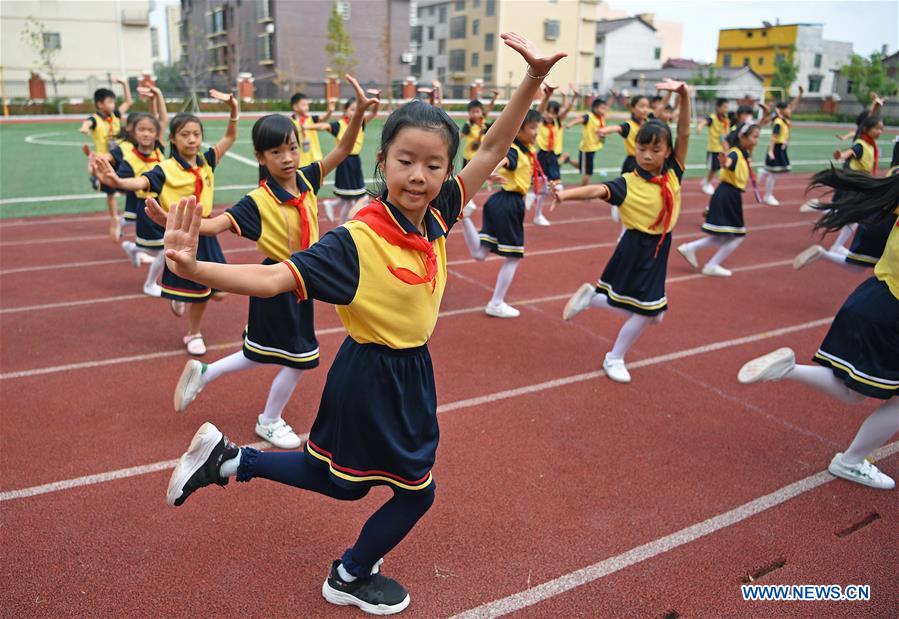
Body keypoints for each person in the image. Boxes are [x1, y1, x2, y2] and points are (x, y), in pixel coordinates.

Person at [163, 33, 566, 615]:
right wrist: (194, 267)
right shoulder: (358, 239)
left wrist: (532, 78)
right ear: (382, 163)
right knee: (416, 493)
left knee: (339, 479)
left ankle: (229, 459)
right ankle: (349, 574)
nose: (419, 175)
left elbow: (495, 146)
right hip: (373, 373)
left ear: (446, 172)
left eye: (434, 165)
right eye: (406, 161)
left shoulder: (438, 212)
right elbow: (275, 279)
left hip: (407, 370)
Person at [149, 76, 375, 449]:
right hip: (276, 279)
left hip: (302, 276)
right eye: (276, 152)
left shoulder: (306, 179)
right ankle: (268, 420)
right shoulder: (258, 201)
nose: (287, 158)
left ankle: (205, 373)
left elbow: (343, 149)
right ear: (260, 157)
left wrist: (358, 116)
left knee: (263, 350)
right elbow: (215, 225)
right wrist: (172, 222)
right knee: (300, 358)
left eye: (292, 148)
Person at [738, 167, 899, 491]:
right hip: (891, 313)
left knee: (853, 391)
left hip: (871, 298)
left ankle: (789, 369)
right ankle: (850, 461)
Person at [552, 79, 691, 383]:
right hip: (637, 247)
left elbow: (683, 132)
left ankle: (592, 299)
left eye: (655, 149)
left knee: (656, 314)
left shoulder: (673, 173)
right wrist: (565, 195)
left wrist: (684, 95)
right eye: (642, 148)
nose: (647, 155)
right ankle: (614, 357)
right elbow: (597, 190)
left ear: (667, 151)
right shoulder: (628, 182)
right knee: (646, 312)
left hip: (660, 246)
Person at [94, 90, 239, 355]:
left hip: (207, 232)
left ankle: (178, 295)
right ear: (172, 138)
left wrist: (233, 110)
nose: (192, 139)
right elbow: (141, 182)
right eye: (185, 134)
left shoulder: (206, 161)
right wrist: (117, 181)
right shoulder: (165, 169)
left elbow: (229, 137)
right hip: (183, 235)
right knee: (202, 292)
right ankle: (194, 333)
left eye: (196, 134)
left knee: (220, 292)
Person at [460, 108, 544, 318]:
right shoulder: (514, 151)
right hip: (509, 204)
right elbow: (504, 160)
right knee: (514, 257)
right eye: (532, 128)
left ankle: (464, 216)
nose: (536, 132)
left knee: (480, 254)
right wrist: (492, 171)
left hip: (499, 202)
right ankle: (496, 303)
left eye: (537, 127)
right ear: (518, 131)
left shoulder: (526, 150)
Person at [795, 117, 889, 270]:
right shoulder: (861, 144)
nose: (880, 131)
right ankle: (818, 207)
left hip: (861, 185)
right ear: (867, 129)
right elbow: (851, 152)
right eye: (877, 128)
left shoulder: (871, 145)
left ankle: (837, 244)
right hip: (854, 185)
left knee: (852, 216)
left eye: (881, 129)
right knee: (849, 213)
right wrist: (841, 156)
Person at [676, 122, 761, 277]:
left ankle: (691, 248)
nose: (757, 140)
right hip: (728, 195)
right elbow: (729, 162)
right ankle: (710, 264)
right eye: (754, 137)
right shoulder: (735, 153)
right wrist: (725, 162)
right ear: (742, 137)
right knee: (738, 236)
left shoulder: (743, 154)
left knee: (724, 236)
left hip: (727, 195)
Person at [79, 77, 133, 242]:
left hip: (120, 158)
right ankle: (115, 218)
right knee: (110, 192)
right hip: (104, 161)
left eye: (113, 102)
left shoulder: (115, 116)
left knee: (127, 187)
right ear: (100, 104)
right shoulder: (95, 119)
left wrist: (124, 84)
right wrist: (85, 128)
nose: (113, 105)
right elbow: (87, 122)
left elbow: (128, 102)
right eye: (109, 102)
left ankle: (126, 216)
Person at [327, 95, 381, 223]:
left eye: (357, 109)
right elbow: (324, 126)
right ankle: (350, 219)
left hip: (355, 162)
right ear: (345, 110)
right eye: (352, 109)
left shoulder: (361, 122)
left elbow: (374, 112)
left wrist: (377, 99)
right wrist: (307, 127)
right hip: (344, 161)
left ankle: (338, 218)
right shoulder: (339, 125)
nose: (355, 112)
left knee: (348, 199)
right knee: (359, 197)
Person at [531, 83, 573, 226]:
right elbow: (539, 111)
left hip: (553, 156)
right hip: (542, 155)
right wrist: (547, 95)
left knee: (556, 187)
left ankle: (535, 203)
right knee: (542, 186)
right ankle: (537, 213)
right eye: (548, 112)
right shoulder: (540, 123)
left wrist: (571, 97)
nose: (550, 115)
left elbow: (566, 109)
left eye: (553, 113)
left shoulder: (557, 123)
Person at [756, 86, 803, 206]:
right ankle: (768, 195)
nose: (790, 110)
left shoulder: (784, 119)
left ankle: (763, 171)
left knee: (782, 169)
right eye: (787, 108)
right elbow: (773, 137)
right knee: (774, 173)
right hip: (776, 148)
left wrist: (800, 94)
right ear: (781, 110)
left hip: (781, 148)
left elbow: (793, 105)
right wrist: (771, 151)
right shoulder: (778, 122)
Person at [565, 96, 607, 187]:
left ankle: (567, 160)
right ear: (595, 108)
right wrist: (570, 124)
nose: (604, 110)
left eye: (605, 108)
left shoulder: (600, 117)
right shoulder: (589, 116)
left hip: (593, 147)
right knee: (588, 172)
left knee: (582, 166)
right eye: (602, 108)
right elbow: (580, 119)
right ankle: (583, 191)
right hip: (587, 148)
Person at [289, 91, 334, 168]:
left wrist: (330, 111)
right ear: (295, 107)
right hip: (299, 160)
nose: (307, 107)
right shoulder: (290, 121)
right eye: (304, 105)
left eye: (307, 105)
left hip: (313, 157)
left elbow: (324, 119)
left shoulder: (311, 119)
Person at [695, 98, 731, 195]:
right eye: (724, 107)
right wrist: (700, 127)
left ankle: (706, 180)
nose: (726, 109)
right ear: (718, 107)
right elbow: (705, 121)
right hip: (714, 149)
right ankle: (706, 184)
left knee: (718, 168)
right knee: (713, 168)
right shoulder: (713, 118)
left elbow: (726, 131)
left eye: (727, 107)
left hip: (723, 148)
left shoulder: (725, 118)